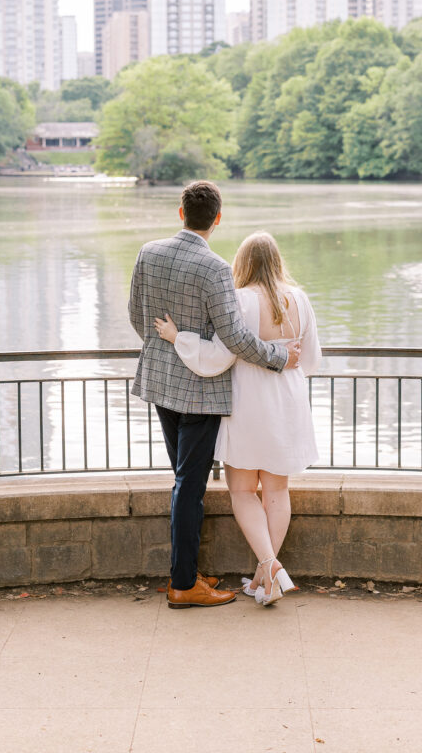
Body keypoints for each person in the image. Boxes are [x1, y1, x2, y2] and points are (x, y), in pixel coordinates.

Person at [128, 181, 300, 609]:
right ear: (217, 218)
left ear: (180, 212)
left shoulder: (148, 253)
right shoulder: (216, 267)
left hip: (160, 385)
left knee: (184, 481)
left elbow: (137, 316)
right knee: (189, 485)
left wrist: (167, 347)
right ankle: (183, 584)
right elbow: (237, 338)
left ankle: (187, 571)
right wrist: (279, 356)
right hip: (200, 392)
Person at [154, 231, 321, 606]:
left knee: (243, 491)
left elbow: (219, 355)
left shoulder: (240, 300)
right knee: (277, 491)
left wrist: (177, 337)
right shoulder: (300, 299)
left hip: (248, 404)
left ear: (242, 264)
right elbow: (309, 360)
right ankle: (265, 580)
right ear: (277, 261)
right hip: (288, 402)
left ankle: (269, 567)